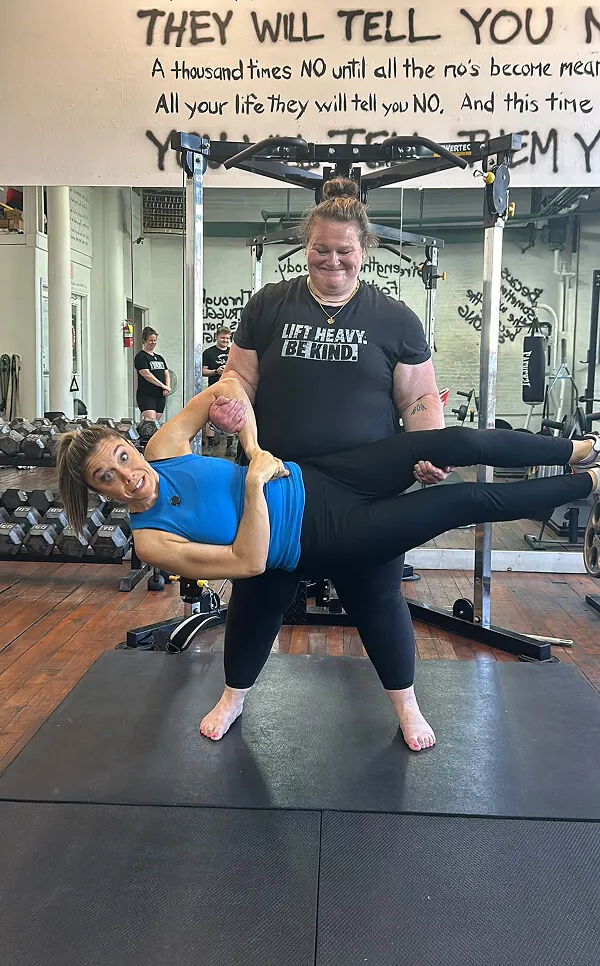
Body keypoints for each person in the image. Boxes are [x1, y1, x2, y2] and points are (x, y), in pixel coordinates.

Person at [55, 375, 600, 751]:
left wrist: (248, 439)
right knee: (464, 502)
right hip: (325, 536)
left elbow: (227, 390)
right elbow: (248, 562)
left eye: (123, 456)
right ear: (98, 492)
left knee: (451, 440)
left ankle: (572, 450)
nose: (128, 475)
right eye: (108, 477)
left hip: (326, 476)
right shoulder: (151, 540)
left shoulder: (164, 446)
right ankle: (591, 482)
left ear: (130, 443)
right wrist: (252, 481)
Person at [209, 176, 453, 750]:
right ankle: (233, 696)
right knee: (260, 595)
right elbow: (239, 376)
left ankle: (408, 707)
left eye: (345, 252)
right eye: (322, 250)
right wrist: (230, 405)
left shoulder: (394, 317)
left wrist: (429, 454)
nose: (333, 262)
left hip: (364, 492)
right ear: (305, 246)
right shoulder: (270, 304)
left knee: (378, 596)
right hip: (280, 487)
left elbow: (418, 399)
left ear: (363, 251)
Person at [202, 327, 235, 455]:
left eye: (227, 338)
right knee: (211, 416)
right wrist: (216, 371)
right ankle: (209, 446)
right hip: (214, 388)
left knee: (231, 416)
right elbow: (202, 371)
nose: (225, 340)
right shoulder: (208, 352)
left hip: (230, 388)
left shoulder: (233, 352)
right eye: (223, 338)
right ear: (217, 337)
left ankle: (230, 446)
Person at [134, 327, 170, 421]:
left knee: (156, 424)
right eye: (150, 340)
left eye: (155, 340)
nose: (153, 342)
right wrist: (162, 385)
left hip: (160, 396)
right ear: (144, 340)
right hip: (147, 395)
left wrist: (167, 387)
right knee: (150, 422)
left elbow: (166, 373)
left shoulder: (159, 358)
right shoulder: (141, 356)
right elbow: (146, 374)